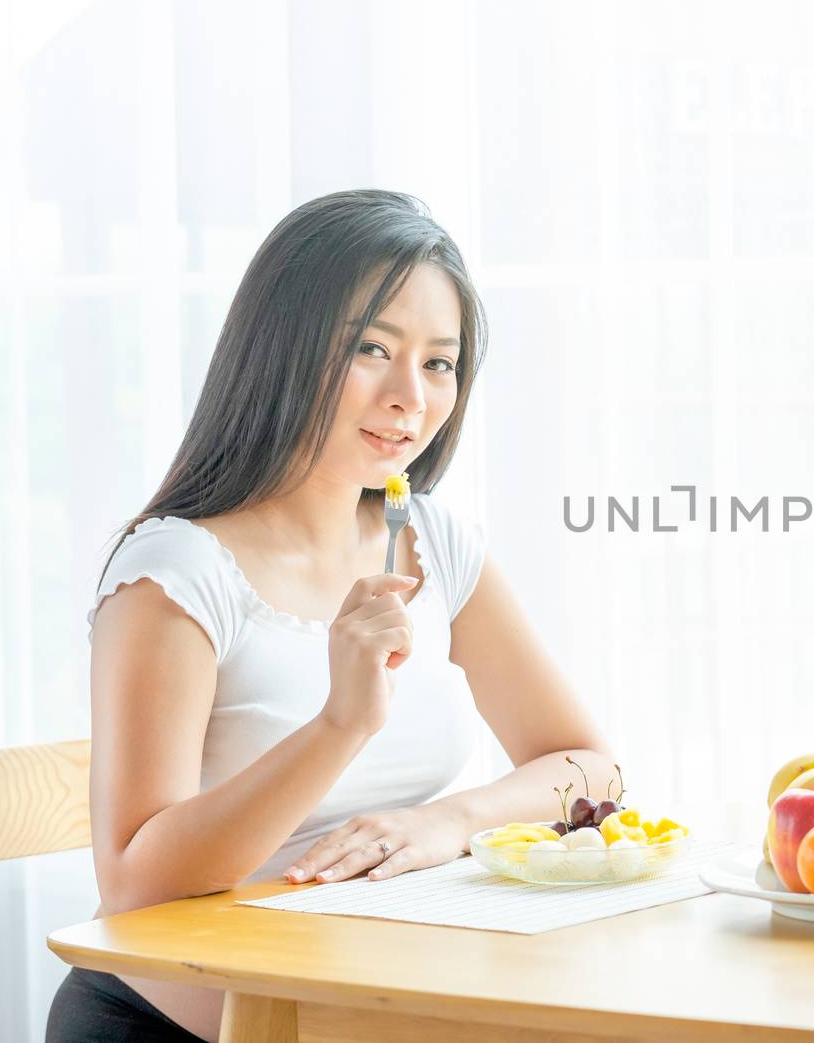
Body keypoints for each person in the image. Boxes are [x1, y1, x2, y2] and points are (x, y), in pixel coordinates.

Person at [46, 190, 616, 1042]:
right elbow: (134, 885)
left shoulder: (434, 541)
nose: (408, 398)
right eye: (370, 349)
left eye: (439, 362)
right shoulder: (176, 572)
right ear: (283, 349)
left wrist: (446, 822)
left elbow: (591, 769)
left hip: (374, 981)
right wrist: (340, 723)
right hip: (192, 1017)